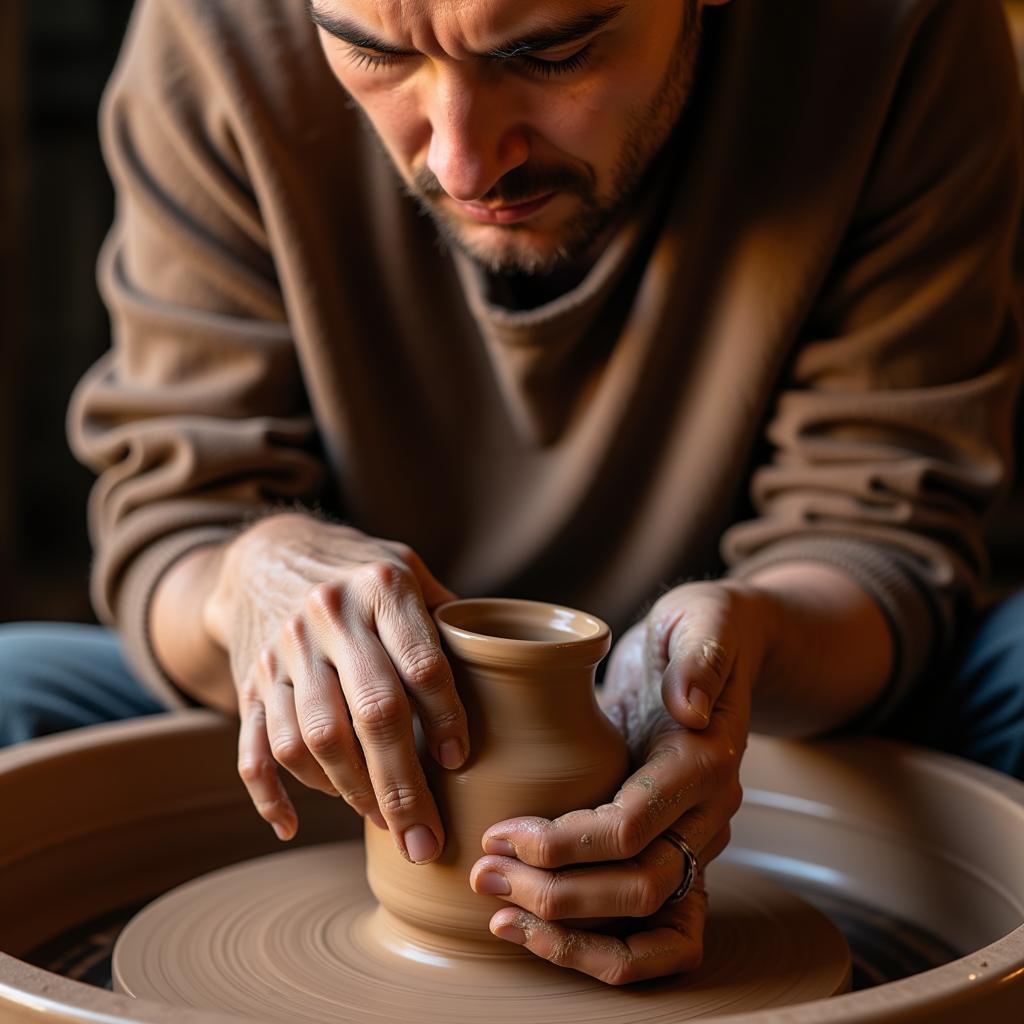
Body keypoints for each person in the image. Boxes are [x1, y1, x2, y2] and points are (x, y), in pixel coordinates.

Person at [2, 0, 1023, 984]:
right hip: (361, 727)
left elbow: (880, 534)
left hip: (757, 708)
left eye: (547, 53)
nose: (462, 161)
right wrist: (253, 577)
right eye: (376, 54)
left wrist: (733, 646)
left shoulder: (900, 28)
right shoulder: (216, 27)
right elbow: (174, 525)